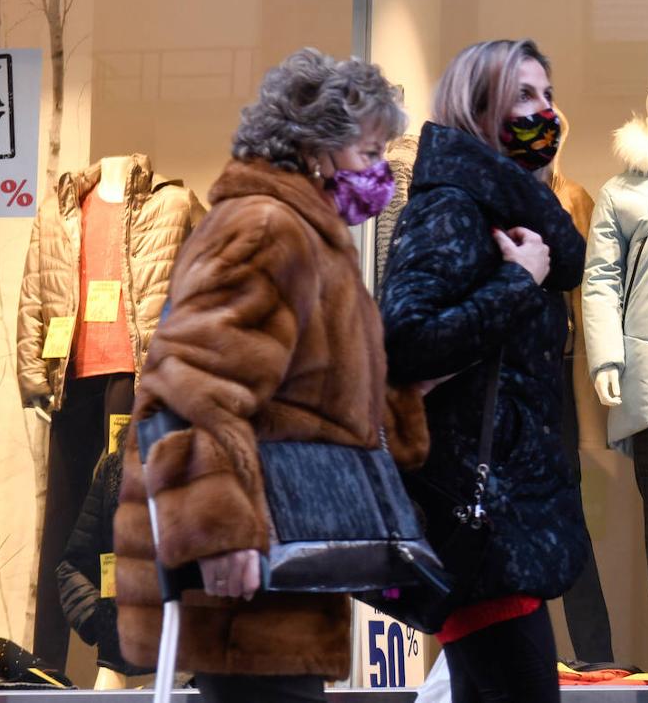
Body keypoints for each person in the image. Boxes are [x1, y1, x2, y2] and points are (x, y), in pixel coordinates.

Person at [113, 48, 429, 703]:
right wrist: (222, 533)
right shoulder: (267, 227)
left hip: (281, 574)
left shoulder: (308, 235)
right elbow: (186, 387)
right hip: (250, 575)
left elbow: (316, 400)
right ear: (317, 146)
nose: (380, 175)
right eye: (369, 153)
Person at [380, 39, 587, 703]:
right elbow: (405, 338)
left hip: (507, 521)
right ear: (478, 108)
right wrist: (518, 283)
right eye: (524, 95)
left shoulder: (506, 210)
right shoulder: (450, 207)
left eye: (547, 95)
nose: (544, 110)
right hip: (480, 520)